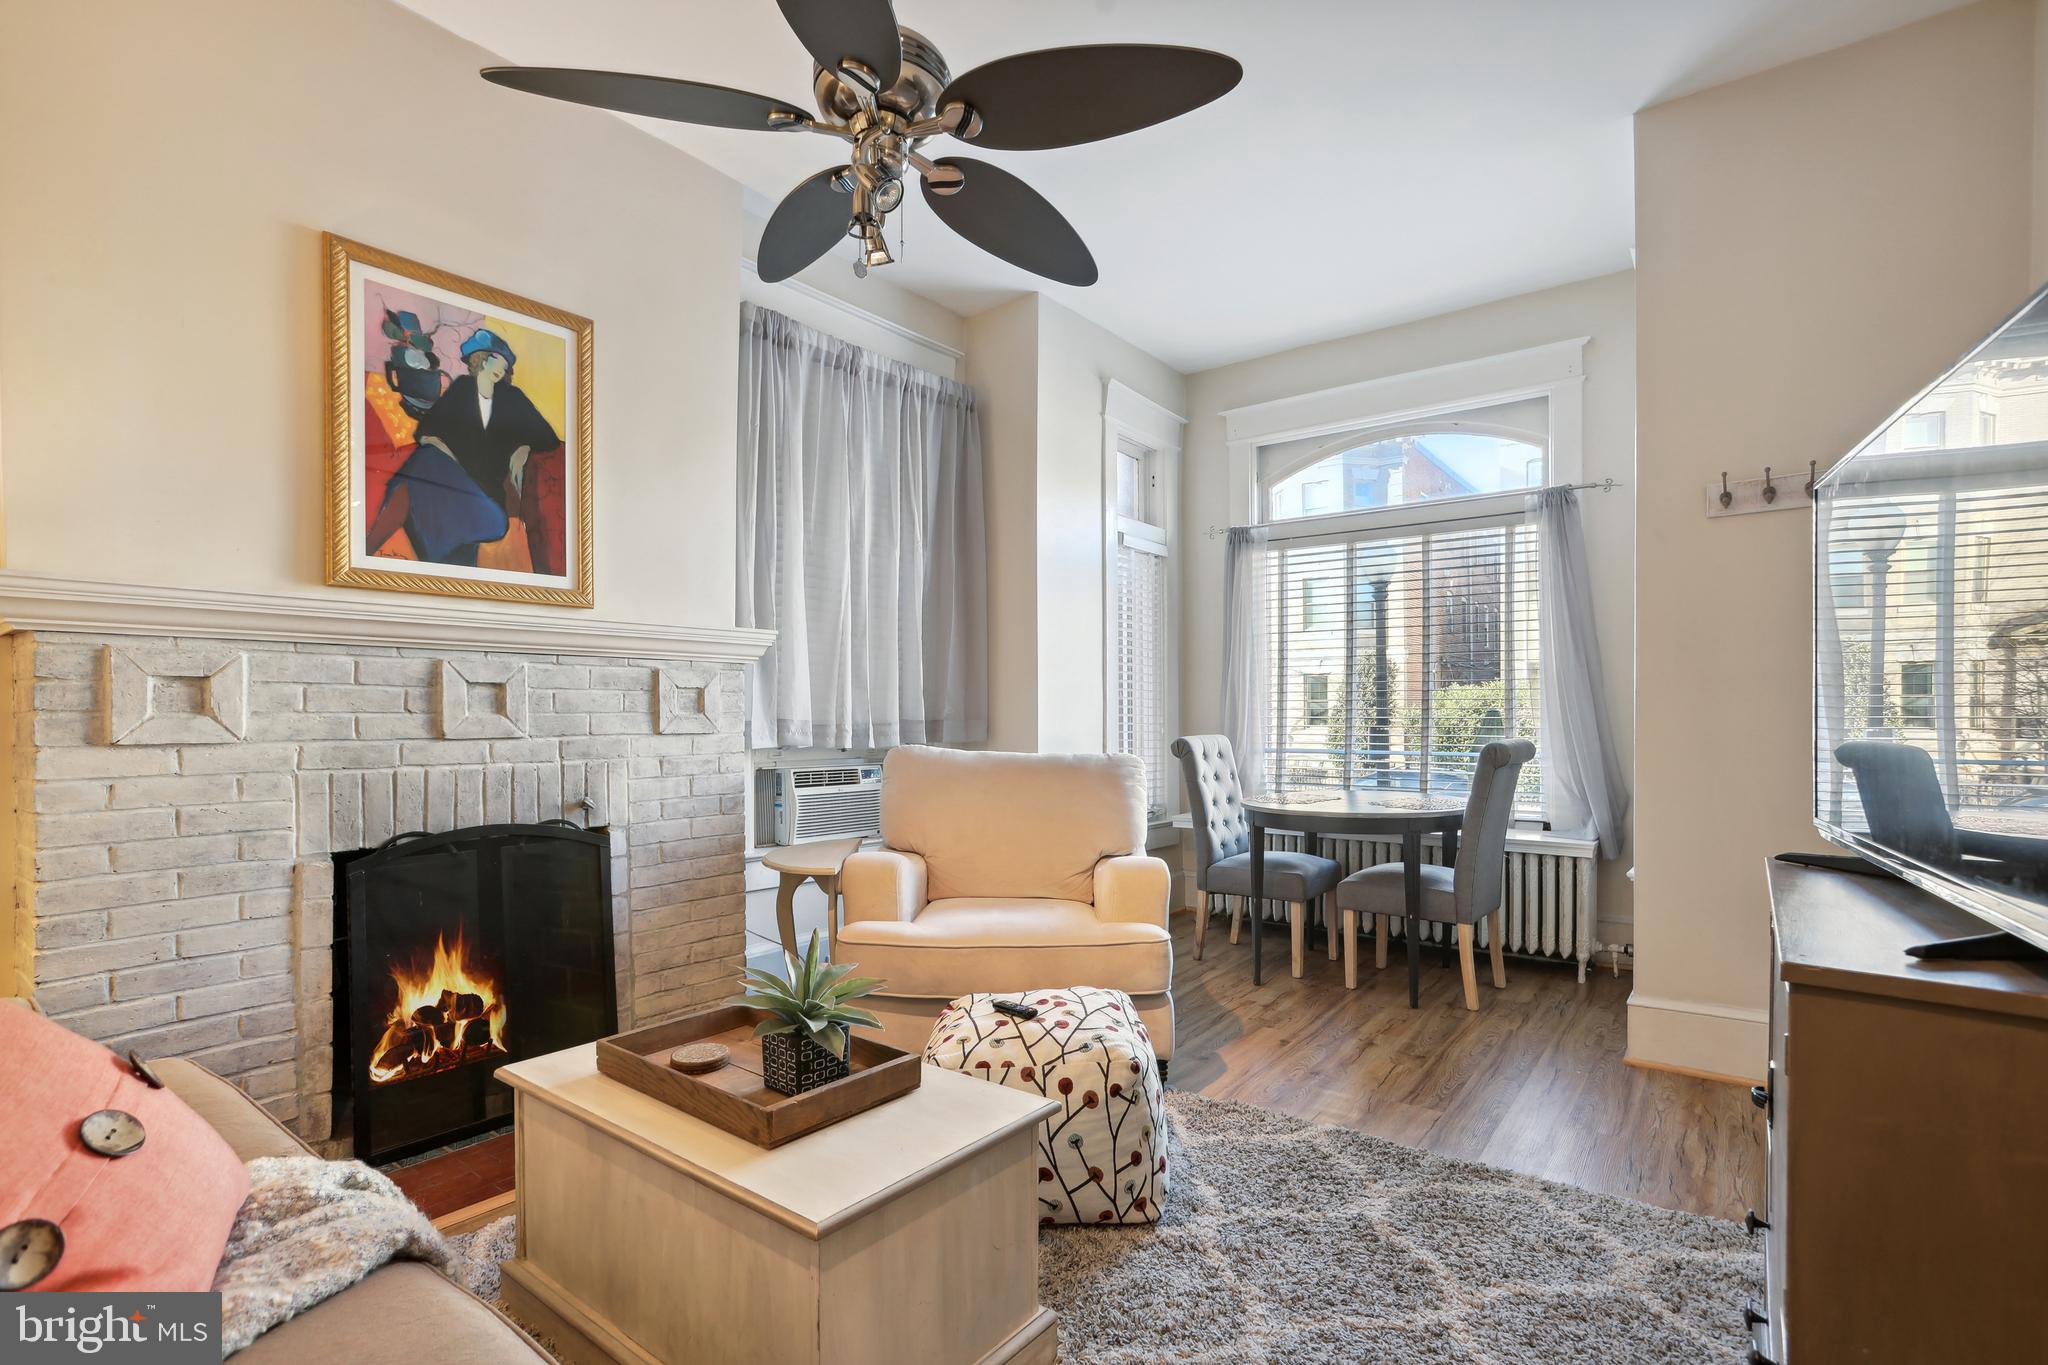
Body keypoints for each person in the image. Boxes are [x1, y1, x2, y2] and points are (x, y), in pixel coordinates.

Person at [365, 328, 560, 569]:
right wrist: (438, 447)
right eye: (496, 359)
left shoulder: (513, 397)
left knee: (419, 468)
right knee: (426, 458)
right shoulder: (461, 389)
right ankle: (366, 553)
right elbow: (425, 431)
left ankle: (367, 549)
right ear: (480, 360)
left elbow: (548, 437)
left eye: (505, 363)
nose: (502, 366)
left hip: (486, 500)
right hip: (451, 483)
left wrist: (524, 448)